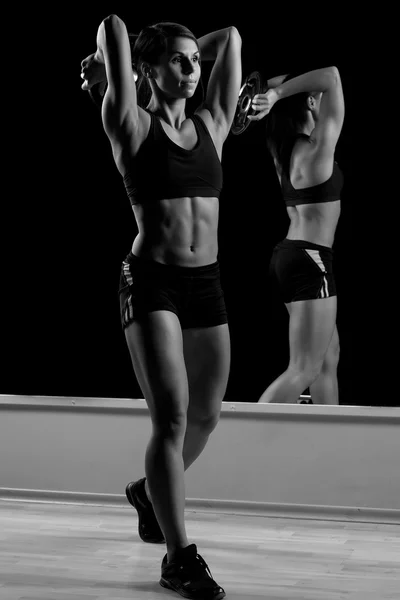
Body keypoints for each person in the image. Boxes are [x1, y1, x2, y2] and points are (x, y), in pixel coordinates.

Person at [80, 13, 241, 599]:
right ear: (147, 69)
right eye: (177, 61)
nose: (193, 68)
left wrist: (186, 49)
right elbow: (113, 25)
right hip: (151, 283)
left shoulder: (214, 124)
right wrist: (118, 68)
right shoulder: (128, 122)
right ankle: (179, 557)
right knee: (171, 418)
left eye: (194, 61)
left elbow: (231, 38)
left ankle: (148, 493)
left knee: (207, 416)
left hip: (208, 284)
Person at [247, 67, 345, 404]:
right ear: (309, 102)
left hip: (292, 255)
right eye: (314, 98)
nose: (321, 98)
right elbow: (331, 76)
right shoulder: (316, 148)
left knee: (327, 356)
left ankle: (324, 438)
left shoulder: (285, 148)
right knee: (303, 367)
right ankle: (246, 442)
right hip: (310, 258)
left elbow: (305, 83)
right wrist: (274, 95)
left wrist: (273, 92)